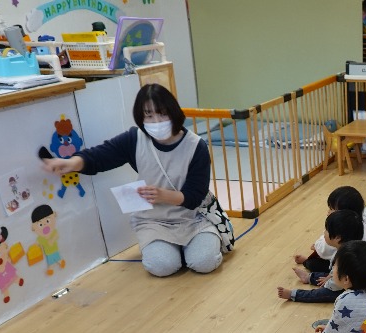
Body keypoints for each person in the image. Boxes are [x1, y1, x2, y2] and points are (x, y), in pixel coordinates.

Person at [41, 84, 232, 277]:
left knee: (204, 262)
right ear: (141, 117)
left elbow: (195, 196)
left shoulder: (196, 146)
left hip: (194, 218)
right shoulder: (135, 139)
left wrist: (163, 195)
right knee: (162, 266)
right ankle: (175, 250)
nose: (156, 121)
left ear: (174, 112)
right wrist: (71, 163)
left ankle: (197, 245)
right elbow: (100, 155)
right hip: (154, 221)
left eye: (162, 114)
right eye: (149, 115)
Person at [278, 209, 363, 303]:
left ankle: (294, 294)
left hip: (347, 288)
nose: (324, 232)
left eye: (326, 230)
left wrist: (328, 283)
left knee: (321, 293)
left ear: (338, 238)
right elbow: (335, 271)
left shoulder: (344, 258)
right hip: (345, 280)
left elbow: (337, 284)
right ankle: (308, 277)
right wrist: (329, 277)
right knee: (326, 275)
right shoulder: (348, 249)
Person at [294, 186, 366, 274]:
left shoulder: (339, 235)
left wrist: (317, 246)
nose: (328, 212)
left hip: (346, 269)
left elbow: (323, 250)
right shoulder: (360, 224)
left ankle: (306, 262)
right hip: (360, 264)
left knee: (313, 264)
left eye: (331, 209)